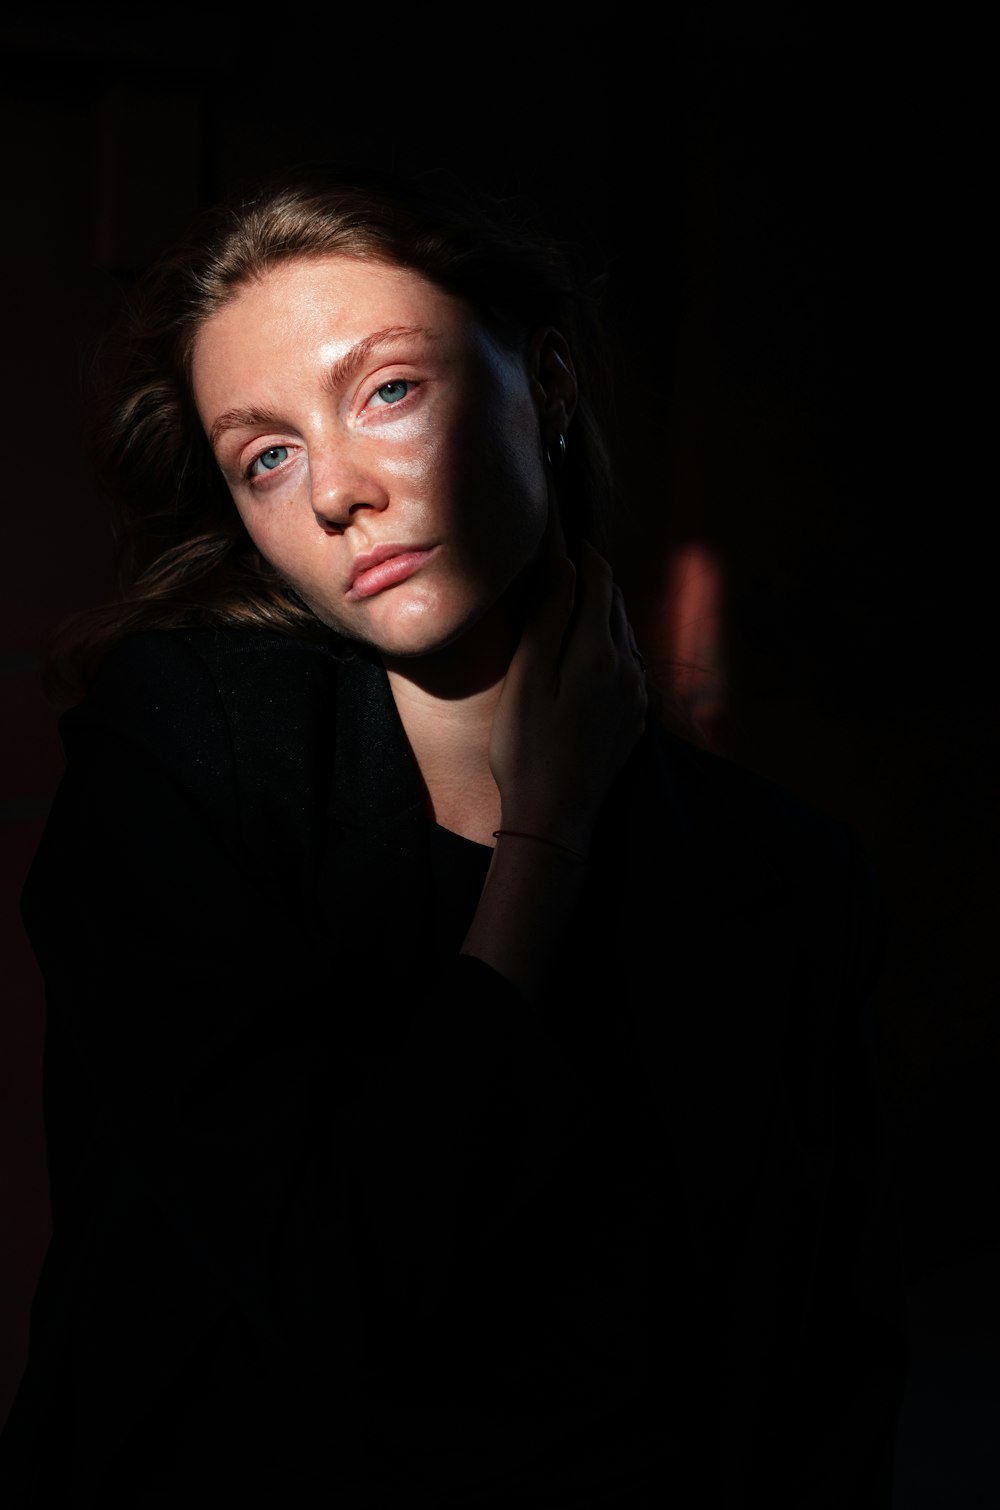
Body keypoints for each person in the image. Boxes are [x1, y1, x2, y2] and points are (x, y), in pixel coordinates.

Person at [0, 164, 905, 1507]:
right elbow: (336, 1298)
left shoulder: (781, 875)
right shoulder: (182, 762)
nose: (335, 494)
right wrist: (542, 845)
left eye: (387, 389)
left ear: (543, 385)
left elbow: (800, 1394)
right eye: (268, 455)